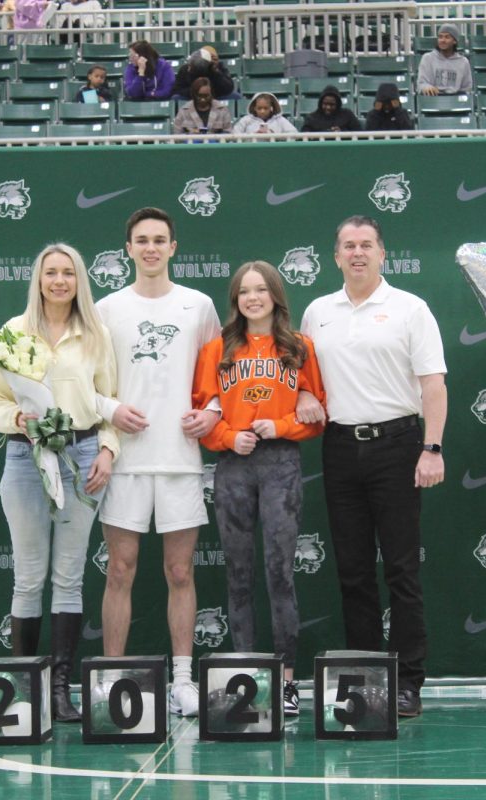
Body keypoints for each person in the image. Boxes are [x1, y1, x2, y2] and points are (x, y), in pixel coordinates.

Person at [299, 215, 447, 718]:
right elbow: (303, 378)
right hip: (340, 448)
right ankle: (365, 676)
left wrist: (433, 448)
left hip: (399, 445)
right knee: (354, 572)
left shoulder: (411, 308)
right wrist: (303, 398)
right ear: (335, 256)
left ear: (383, 254)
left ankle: (408, 681)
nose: (357, 253)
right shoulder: (318, 312)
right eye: (348, 246)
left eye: (366, 245)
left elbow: (433, 384)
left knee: (402, 571)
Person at [0, 244, 118, 723]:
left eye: (68, 273)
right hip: (25, 456)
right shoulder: (14, 333)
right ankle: (24, 691)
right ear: (37, 279)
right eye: (50, 273)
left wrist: (107, 449)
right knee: (28, 576)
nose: (59, 281)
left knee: (69, 579)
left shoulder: (96, 334)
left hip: (81, 456)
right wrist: (14, 415)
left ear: (80, 280)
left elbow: (111, 400)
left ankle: (60, 690)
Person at [94, 207, 222, 718]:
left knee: (180, 571)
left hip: (180, 460)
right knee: (120, 569)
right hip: (124, 460)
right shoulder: (105, 309)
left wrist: (211, 413)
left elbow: (220, 377)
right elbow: (91, 383)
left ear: (173, 247)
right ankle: (110, 679)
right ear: (128, 249)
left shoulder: (199, 305)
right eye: (141, 239)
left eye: (160, 240)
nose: (150, 247)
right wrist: (110, 410)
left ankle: (184, 681)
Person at [192, 261, 325, 718]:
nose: (253, 298)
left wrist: (281, 426)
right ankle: (246, 674)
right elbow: (202, 419)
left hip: (281, 466)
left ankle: (287, 681)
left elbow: (317, 415)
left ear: (275, 296)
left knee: (280, 575)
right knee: (239, 576)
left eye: (261, 290)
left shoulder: (299, 347)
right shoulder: (217, 349)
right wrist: (230, 437)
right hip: (232, 467)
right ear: (236, 299)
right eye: (244, 291)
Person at [417, 23, 472, 96]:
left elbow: (467, 89)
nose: (443, 40)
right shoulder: (427, 58)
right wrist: (426, 87)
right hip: (433, 99)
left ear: (454, 41)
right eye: (440, 37)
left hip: (455, 100)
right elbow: (421, 84)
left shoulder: (464, 62)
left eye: (447, 37)